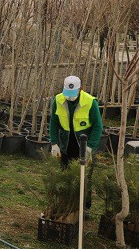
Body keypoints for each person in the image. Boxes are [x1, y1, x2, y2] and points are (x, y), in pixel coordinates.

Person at [49, 75, 103, 218]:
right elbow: (53, 123)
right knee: (65, 175)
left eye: (72, 95)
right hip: (66, 145)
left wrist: (90, 147)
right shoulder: (58, 100)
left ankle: (85, 207)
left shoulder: (90, 102)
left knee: (85, 178)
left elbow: (98, 126)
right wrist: (54, 143)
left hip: (84, 145)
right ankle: (66, 203)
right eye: (68, 94)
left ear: (80, 89)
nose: (70, 98)